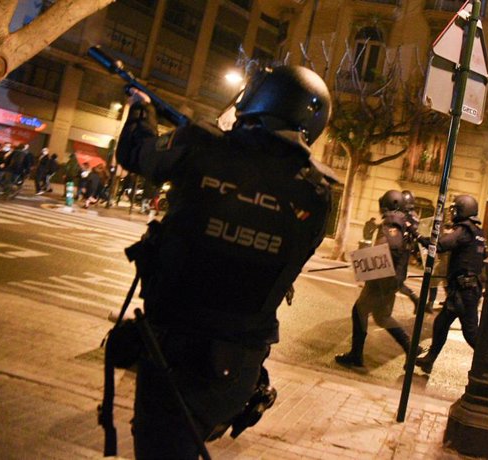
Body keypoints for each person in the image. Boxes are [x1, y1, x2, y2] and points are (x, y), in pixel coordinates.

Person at [115, 64, 335, 459]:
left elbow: (136, 153)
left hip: (175, 352)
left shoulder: (201, 147)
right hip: (238, 371)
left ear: (258, 99)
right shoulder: (317, 194)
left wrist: (141, 111)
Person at [335, 190, 419, 369]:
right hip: (390, 279)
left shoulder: (392, 223)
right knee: (382, 317)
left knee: (359, 311)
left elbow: (390, 246)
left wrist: (367, 261)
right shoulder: (403, 223)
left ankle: (356, 356)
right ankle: (411, 348)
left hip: (381, 280)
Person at [413, 195, 486, 374]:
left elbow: (442, 245)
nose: (453, 213)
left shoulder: (464, 230)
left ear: (463, 210)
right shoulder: (478, 232)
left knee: (471, 333)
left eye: (455, 209)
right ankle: (430, 360)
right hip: (464, 289)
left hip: (465, 291)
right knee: (441, 324)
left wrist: (419, 237)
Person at [398, 190, 423, 312]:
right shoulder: (414, 215)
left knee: (395, 281)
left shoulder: (407, 216)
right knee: (395, 281)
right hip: (405, 251)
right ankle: (415, 299)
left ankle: (415, 299)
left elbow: (403, 233)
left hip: (401, 251)